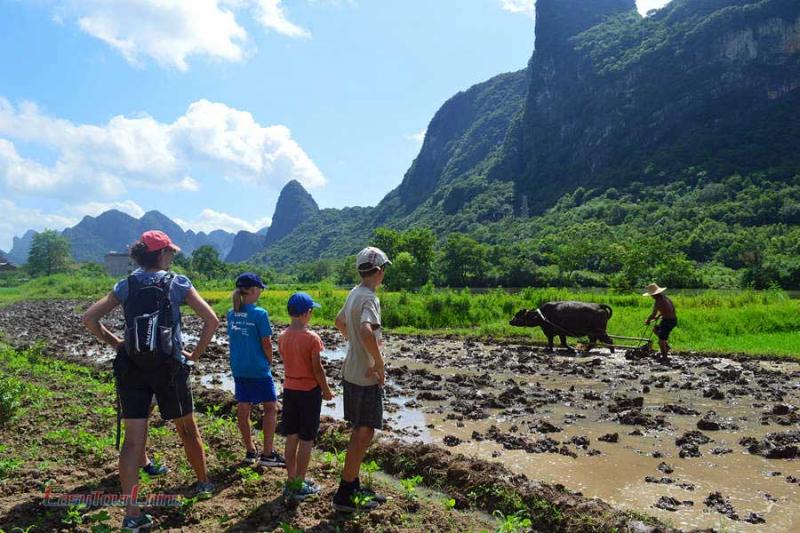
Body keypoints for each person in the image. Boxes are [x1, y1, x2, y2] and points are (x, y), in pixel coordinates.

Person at [83, 230, 218, 532]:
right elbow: (212, 320)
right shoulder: (178, 283)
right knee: (187, 430)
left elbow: (90, 318)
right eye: (170, 251)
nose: (172, 256)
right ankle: (203, 483)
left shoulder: (126, 284)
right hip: (169, 366)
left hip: (132, 367)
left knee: (133, 442)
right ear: (161, 254)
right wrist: (194, 354)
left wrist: (117, 343)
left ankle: (132, 513)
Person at [332, 247, 391, 512]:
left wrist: (353, 344)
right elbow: (367, 331)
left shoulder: (354, 293)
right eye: (384, 270)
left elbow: (339, 322)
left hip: (351, 372)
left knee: (360, 430)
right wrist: (378, 363)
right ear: (378, 272)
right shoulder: (369, 298)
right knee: (363, 432)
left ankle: (352, 485)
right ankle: (345, 493)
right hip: (366, 376)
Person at [278, 292, 334, 502]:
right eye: (311, 312)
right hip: (309, 392)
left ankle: (291, 479)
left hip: (290, 390)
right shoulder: (312, 338)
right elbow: (317, 369)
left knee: (291, 436)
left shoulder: (283, 336)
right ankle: (299, 483)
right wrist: (326, 390)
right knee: (307, 439)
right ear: (306, 313)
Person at [227, 272, 285, 468]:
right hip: (258, 368)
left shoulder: (231, 313)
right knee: (270, 407)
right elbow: (266, 343)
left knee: (244, 407)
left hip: (239, 367)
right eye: (259, 290)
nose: (260, 293)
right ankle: (268, 454)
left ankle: (250, 451)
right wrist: (269, 361)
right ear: (252, 291)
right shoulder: (260, 314)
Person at [643, 283, 678, 360]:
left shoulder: (659, 301)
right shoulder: (665, 298)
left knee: (661, 341)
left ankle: (664, 357)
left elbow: (653, 314)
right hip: (670, 319)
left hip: (668, 321)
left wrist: (648, 320)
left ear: (655, 294)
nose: (651, 296)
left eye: (651, 295)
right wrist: (658, 317)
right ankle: (667, 346)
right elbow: (668, 309)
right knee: (655, 329)